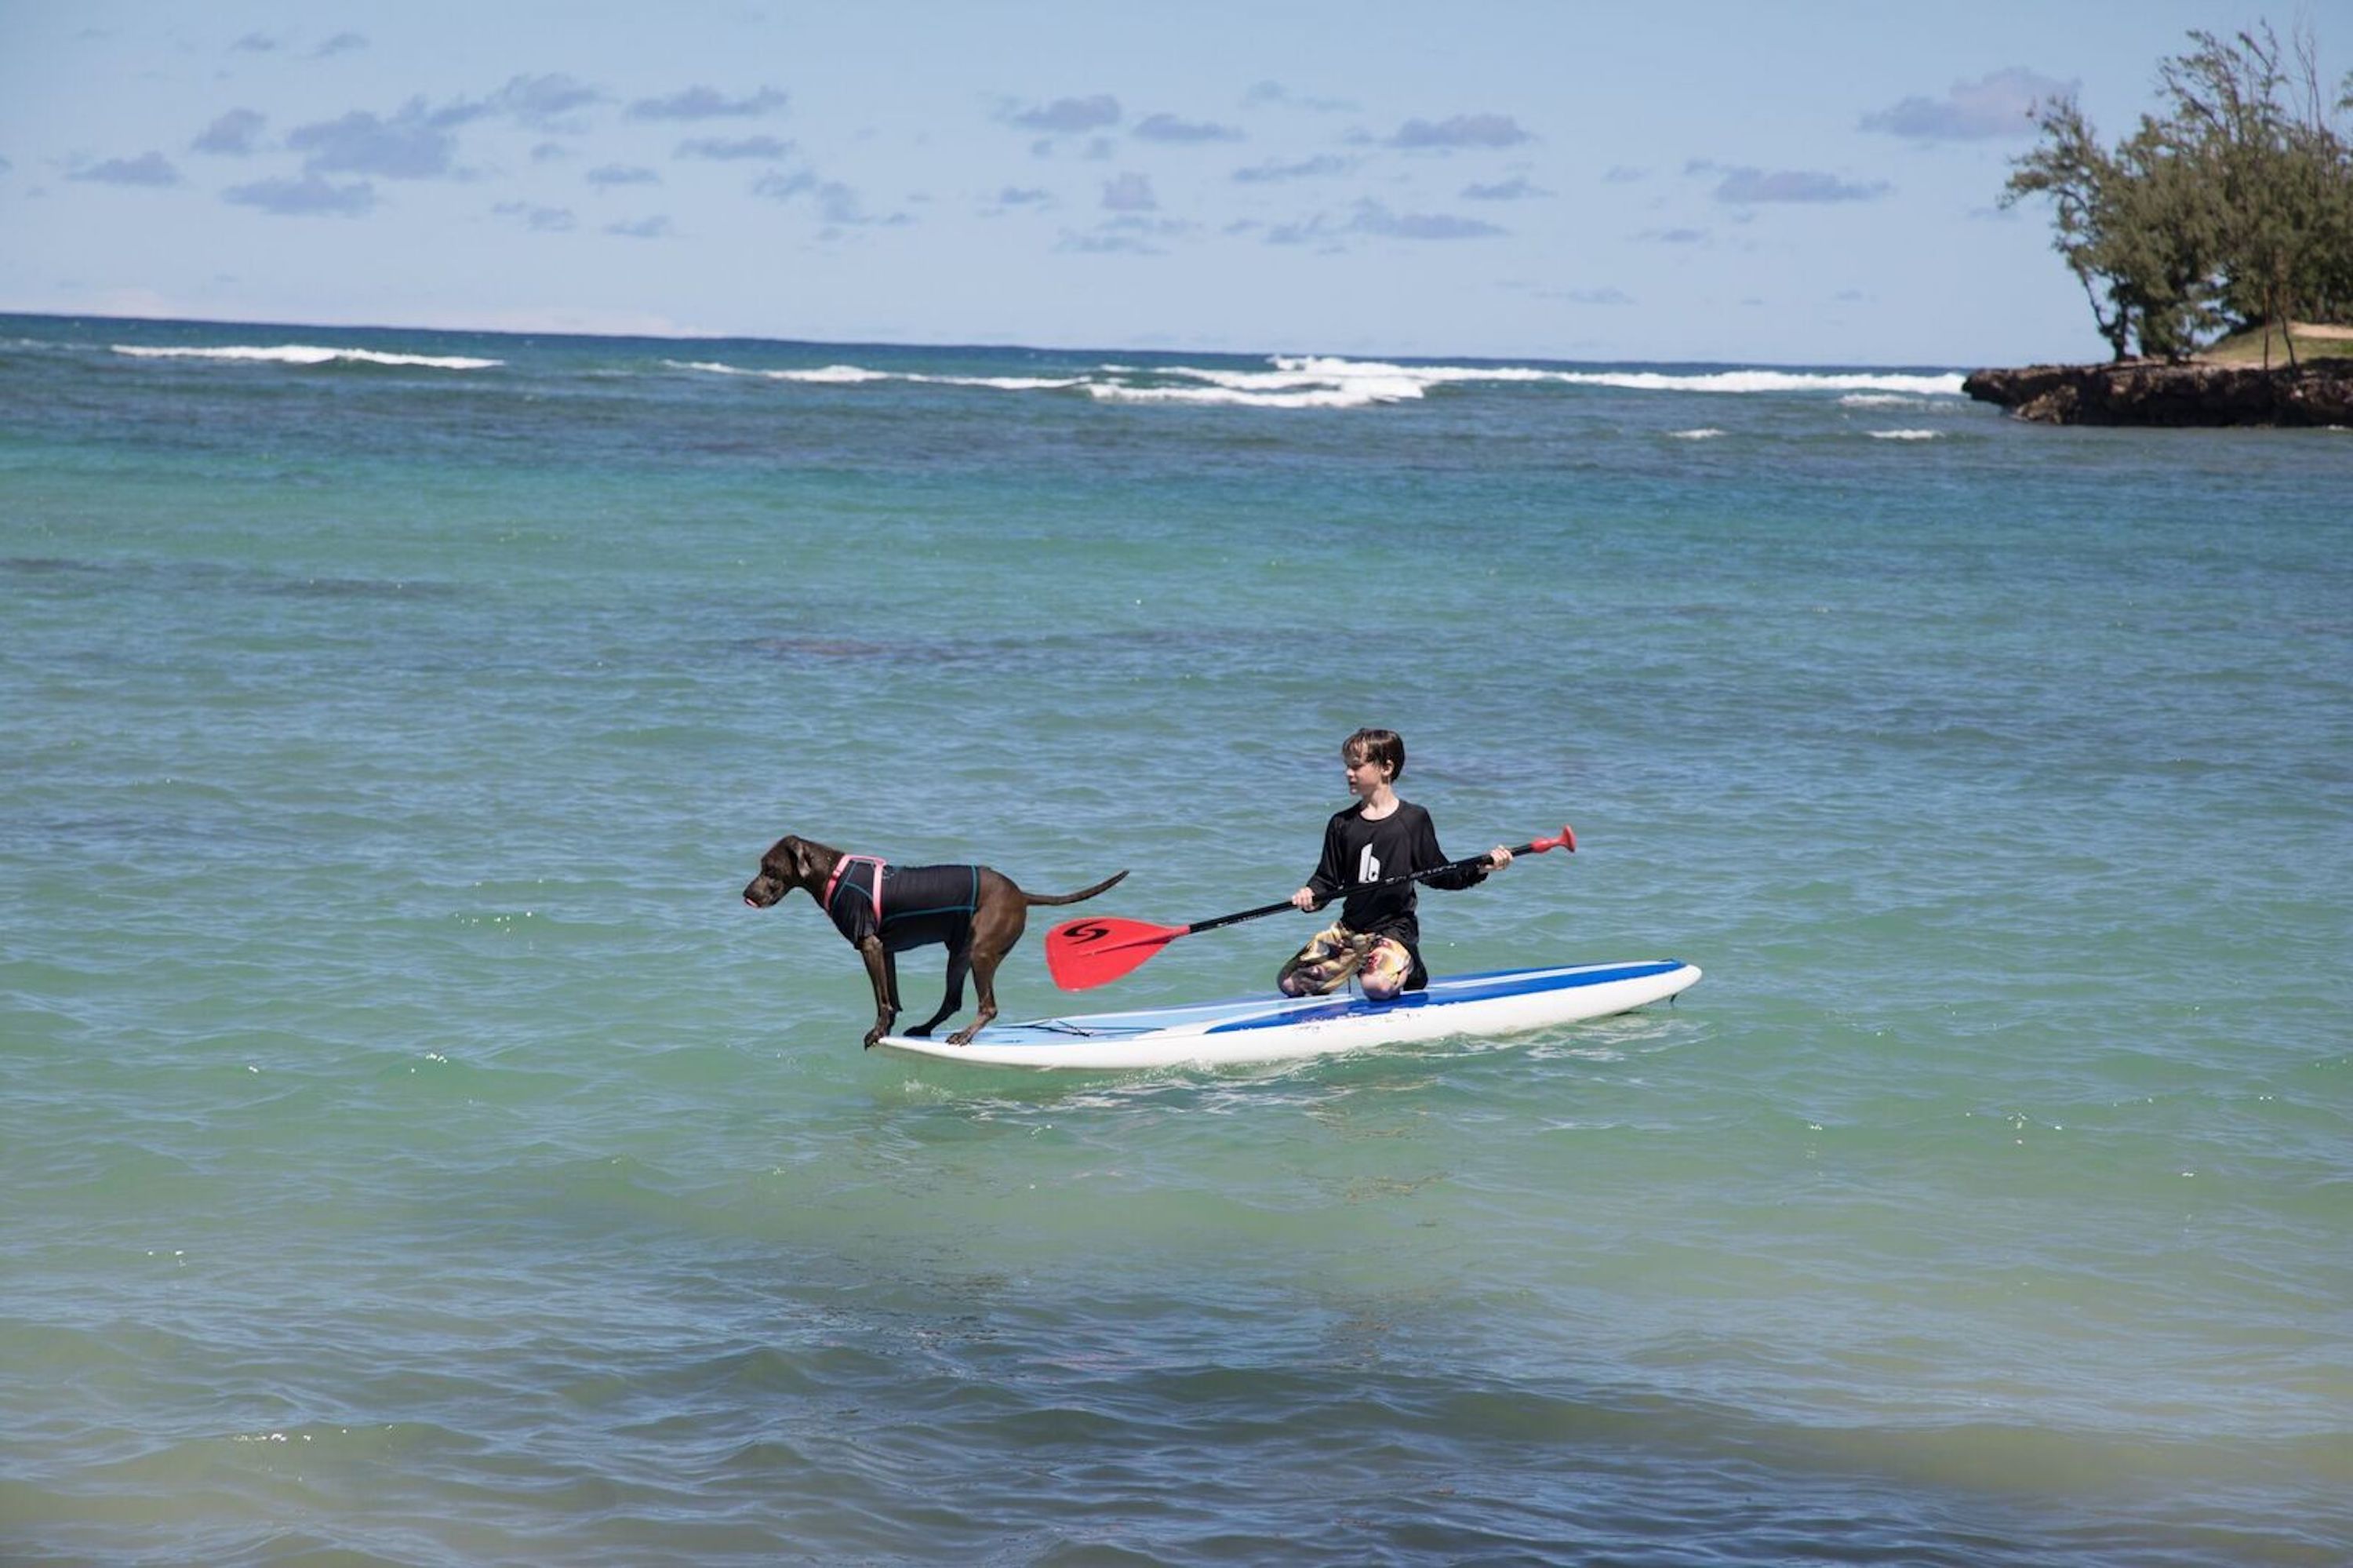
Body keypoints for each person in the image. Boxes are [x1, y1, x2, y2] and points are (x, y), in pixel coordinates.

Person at [1277, 727, 1511, 1001]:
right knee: (1290, 983)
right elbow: (1326, 880)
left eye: (1356, 766)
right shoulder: (1341, 824)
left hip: (1394, 931)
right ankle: (1358, 964)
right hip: (1350, 932)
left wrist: (1483, 867)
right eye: (1347, 766)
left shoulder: (1412, 820)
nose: (1348, 773)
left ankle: (1409, 968)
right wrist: (1310, 896)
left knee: (1376, 987)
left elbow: (1438, 874)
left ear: (1386, 767)